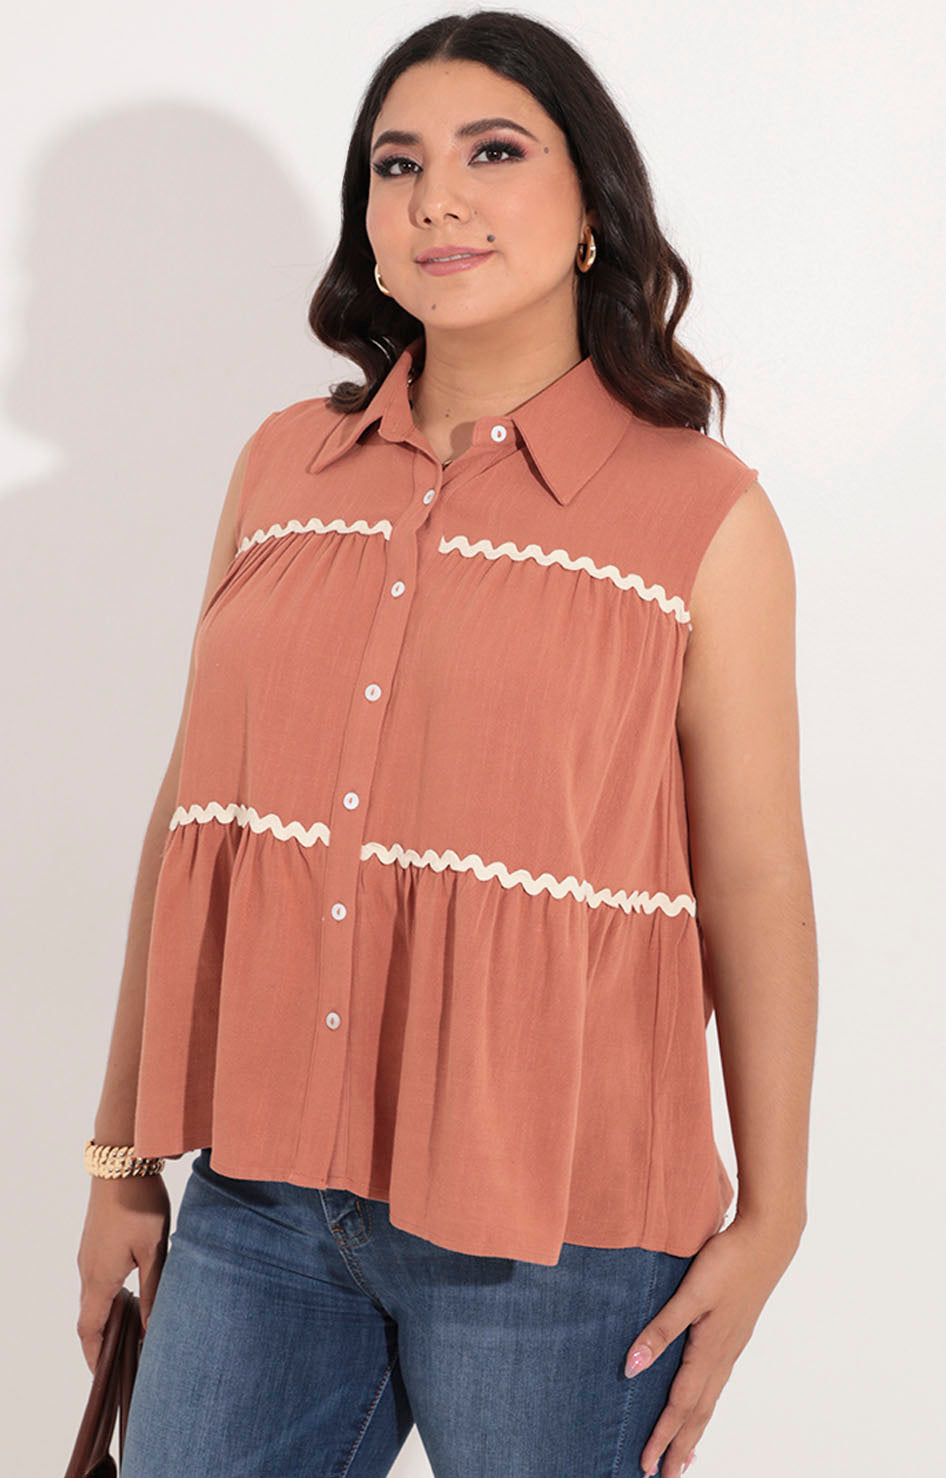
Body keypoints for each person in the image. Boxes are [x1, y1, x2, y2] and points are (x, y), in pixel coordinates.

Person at [75, 10, 817, 1477]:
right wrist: (120, 1160)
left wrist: (774, 1214)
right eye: (397, 164)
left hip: (563, 1236)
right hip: (260, 1203)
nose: (436, 200)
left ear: (592, 209)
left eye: (494, 153)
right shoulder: (282, 465)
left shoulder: (704, 512)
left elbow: (754, 879)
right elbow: (192, 817)